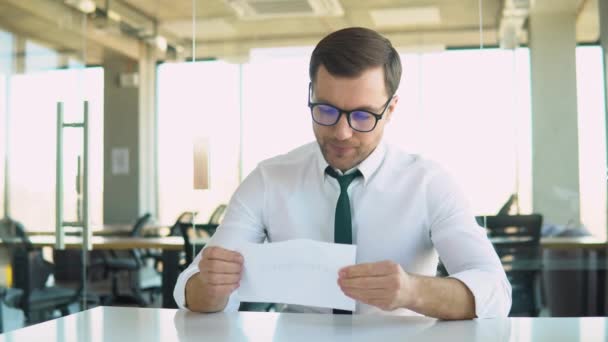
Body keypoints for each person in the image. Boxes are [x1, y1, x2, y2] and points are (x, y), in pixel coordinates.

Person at [174, 27, 511, 319]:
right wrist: (211, 287)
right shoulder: (269, 179)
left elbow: (495, 290)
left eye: (363, 116)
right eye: (326, 110)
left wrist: (412, 291)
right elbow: (190, 289)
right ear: (310, 96)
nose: (342, 132)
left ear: (390, 109)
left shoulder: (429, 183)